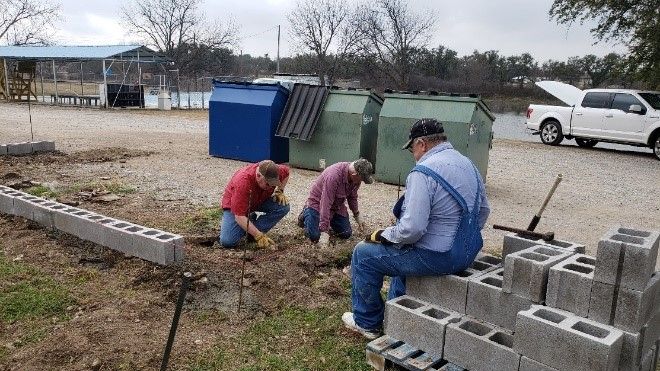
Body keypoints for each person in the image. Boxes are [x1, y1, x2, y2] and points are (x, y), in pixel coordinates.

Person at [342, 118, 490, 339]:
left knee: (363, 255)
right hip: (467, 253)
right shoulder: (467, 164)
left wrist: (385, 234)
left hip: (438, 257)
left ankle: (367, 323)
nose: (413, 154)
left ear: (421, 143)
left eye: (412, 148)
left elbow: (412, 230)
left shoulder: (423, 172)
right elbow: (483, 211)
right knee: (402, 262)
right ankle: (396, 317)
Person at [298, 159, 373, 247]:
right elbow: (325, 203)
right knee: (315, 236)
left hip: (336, 206)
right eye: (362, 179)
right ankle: (305, 213)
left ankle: (326, 220)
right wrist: (324, 231)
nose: (362, 182)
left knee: (346, 234)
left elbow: (352, 197)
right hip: (318, 204)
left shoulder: (355, 178)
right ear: (354, 174)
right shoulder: (333, 176)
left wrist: (357, 215)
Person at [220, 160, 290, 249]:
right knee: (228, 241)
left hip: (258, 200)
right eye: (268, 184)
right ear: (258, 175)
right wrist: (258, 235)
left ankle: (251, 231)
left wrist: (280, 190)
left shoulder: (275, 171)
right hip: (235, 207)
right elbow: (239, 216)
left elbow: (287, 172)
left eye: (273, 184)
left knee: (283, 207)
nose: (271, 187)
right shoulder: (242, 182)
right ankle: (251, 228)